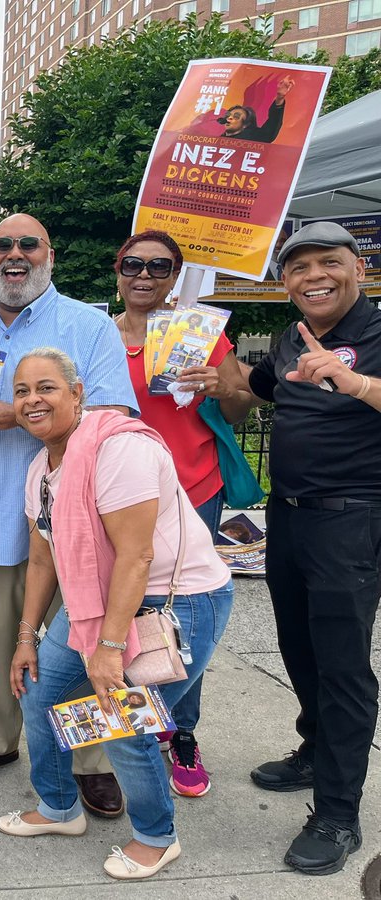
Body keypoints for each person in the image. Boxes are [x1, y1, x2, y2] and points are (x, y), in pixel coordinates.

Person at [0, 348, 233, 881]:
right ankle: (59, 808)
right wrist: (26, 637)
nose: (33, 400)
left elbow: (136, 556)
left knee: (123, 721)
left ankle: (156, 837)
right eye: (22, 391)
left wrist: (108, 649)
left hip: (176, 601)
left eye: (46, 388)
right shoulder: (41, 469)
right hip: (98, 604)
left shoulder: (119, 449)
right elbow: (43, 559)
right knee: (39, 688)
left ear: (77, 393)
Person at [0, 213, 135, 820]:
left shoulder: (88, 326)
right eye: (2, 245)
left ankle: (91, 760)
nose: (15, 254)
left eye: (29, 244)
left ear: (49, 256)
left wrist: (21, 413)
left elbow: (115, 416)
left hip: (72, 524)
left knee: (79, 643)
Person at [220, 221, 381, 875]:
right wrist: (207, 345)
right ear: (285, 282)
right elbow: (249, 388)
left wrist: (355, 383)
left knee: (343, 667)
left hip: (350, 522)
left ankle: (339, 815)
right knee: (300, 649)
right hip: (286, 520)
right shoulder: (293, 337)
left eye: (328, 262)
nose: (314, 276)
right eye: (299, 267)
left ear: (358, 269)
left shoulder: (377, 331)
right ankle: (315, 750)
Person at [111, 229, 244, 797]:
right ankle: (133, 726)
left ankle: (181, 731)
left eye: (160, 267)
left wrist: (220, 387)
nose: (145, 275)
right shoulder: (97, 335)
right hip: (119, 498)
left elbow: (240, 406)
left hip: (192, 491)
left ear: (175, 277)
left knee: (186, 621)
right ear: (118, 270)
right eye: (134, 264)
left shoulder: (200, 333)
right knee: (125, 614)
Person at [218, 75, 293, 143]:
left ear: (245, 125)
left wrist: (280, 97)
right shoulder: (218, 140)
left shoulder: (252, 138)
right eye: (228, 115)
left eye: (236, 116)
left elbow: (272, 125)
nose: (229, 118)